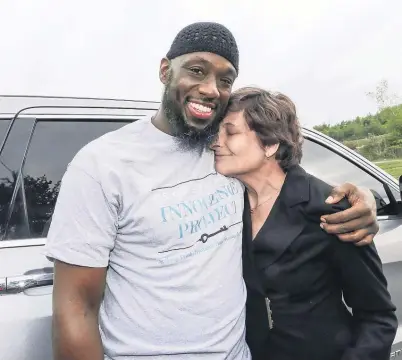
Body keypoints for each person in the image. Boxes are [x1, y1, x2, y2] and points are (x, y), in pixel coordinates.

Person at [44, 22, 379, 360]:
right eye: (197, 70)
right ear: (165, 70)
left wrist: (360, 197)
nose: (210, 89)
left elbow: (284, 175)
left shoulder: (220, 154)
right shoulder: (102, 165)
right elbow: (76, 308)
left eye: (225, 80)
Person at [210, 86, 398, 360]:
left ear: (270, 144)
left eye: (231, 132)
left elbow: (378, 317)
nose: (215, 141)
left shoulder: (329, 208)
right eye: (217, 131)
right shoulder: (225, 205)